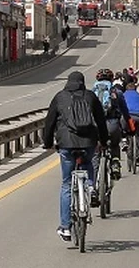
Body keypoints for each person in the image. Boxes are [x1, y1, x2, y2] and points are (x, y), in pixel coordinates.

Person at [42, 71, 109, 242]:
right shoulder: (90, 96)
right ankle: (91, 188)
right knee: (88, 164)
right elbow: (101, 121)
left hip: (66, 143)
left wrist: (47, 142)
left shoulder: (60, 97)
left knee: (66, 184)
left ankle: (65, 227)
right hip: (88, 142)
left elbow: (49, 122)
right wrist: (103, 140)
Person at [92, 69, 131, 180]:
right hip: (112, 124)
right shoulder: (116, 92)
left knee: (96, 150)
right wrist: (128, 125)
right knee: (114, 145)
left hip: (97, 126)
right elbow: (125, 111)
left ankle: (93, 182)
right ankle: (115, 164)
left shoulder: (92, 93)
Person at [123, 75, 139, 166]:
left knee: (124, 129)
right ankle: (138, 157)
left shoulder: (123, 95)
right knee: (138, 135)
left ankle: (124, 140)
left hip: (127, 117)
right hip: (138, 117)